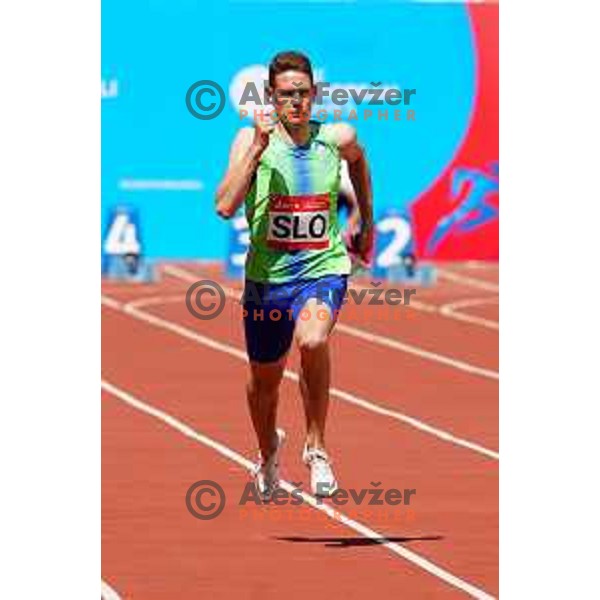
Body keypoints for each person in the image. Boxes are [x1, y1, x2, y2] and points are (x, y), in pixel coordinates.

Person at [215, 50, 373, 500]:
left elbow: (360, 162)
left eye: (303, 94)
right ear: (271, 97)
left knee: (314, 340)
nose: (296, 103)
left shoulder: (336, 138)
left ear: (316, 95)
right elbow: (224, 206)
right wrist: (258, 152)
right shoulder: (250, 142)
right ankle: (268, 451)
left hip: (322, 268)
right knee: (264, 383)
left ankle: (317, 448)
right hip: (267, 281)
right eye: (286, 95)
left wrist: (365, 216)